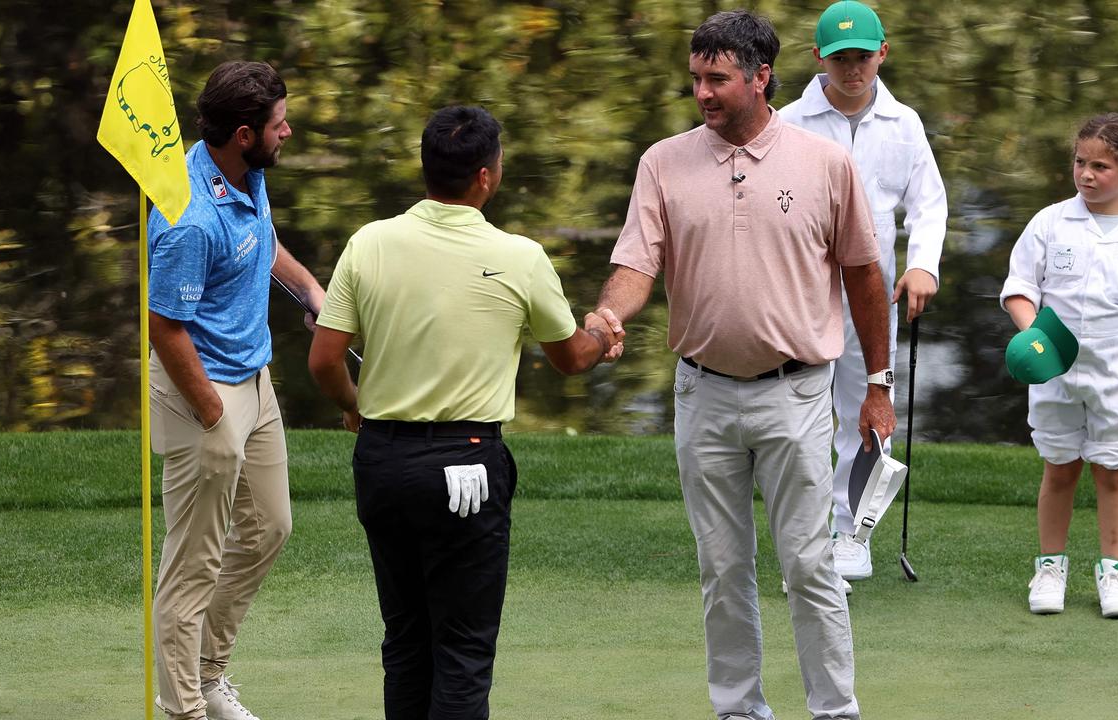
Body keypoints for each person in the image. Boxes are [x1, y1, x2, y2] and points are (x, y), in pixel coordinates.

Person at [594, 11, 894, 720]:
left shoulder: (824, 164)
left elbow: (865, 276)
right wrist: (608, 315)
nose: (702, 91)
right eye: (696, 78)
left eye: (717, 79)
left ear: (761, 79)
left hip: (794, 393)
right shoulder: (662, 162)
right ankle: (738, 711)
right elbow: (637, 264)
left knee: (809, 562)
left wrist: (878, 384)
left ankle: (835, 711)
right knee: (722, 568)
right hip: (703, 393)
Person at [307, 105, 621, 720]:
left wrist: (355, 408)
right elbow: (570, 360)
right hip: (466, 467)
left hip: (383, 461)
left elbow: (323, 362)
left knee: (406, 641)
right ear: (485, 176)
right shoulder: (520, 256)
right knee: (463, 648)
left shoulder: (368, 242)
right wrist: (601, 333)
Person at [147, 61, 325, 720]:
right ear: (245, 133)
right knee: (194, 563)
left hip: (255, 378)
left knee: (270, 528)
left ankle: (208, 675)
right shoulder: (189, 218)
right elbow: (164, 325)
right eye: (280, 125)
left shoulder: (246, 173)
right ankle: (184, 709)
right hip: (206, 393)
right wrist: (212, 409)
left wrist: (311, 290)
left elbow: (261, 240)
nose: (289, 132)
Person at [779, 0, 948, 583]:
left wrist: (923, 265)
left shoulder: (905, 124)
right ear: (819, 58)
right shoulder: (788, 124)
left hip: (874, 296)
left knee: (867, 410)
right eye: (840, 59)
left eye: (863, 57)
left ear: (884, 51)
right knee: (799, 414)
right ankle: (805, 538)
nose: (852, 70)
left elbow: (928, 204)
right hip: (802, 289)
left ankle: (851, 531)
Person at [1001, 113, 1118, 619]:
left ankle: (1114, 571)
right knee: (1059, 468)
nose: (1085, 174)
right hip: (1055, 371)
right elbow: (1020, 289)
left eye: (1100, 166)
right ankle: (1050, 566)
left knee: (1112, 471)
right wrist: (1032, 335)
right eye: (1080, 162)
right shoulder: (1051, 221)